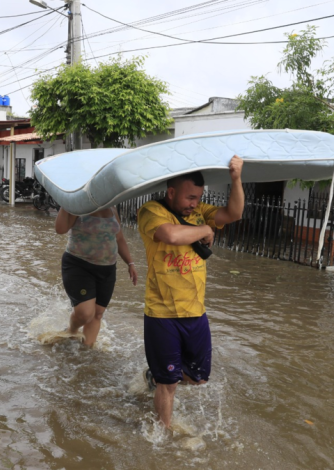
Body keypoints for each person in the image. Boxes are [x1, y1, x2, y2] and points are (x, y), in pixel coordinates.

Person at [137, 158, 244, 429]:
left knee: (198, 379)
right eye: (190, 197)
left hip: (195, 311)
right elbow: (170, 235)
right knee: (169, 383)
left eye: (198, 198)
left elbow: (234, 214)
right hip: (162, 313)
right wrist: (206, 229)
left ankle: (157, 375)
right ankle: (164, 433)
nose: (194, 203)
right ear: (171, 192)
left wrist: (236, 178)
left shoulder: (200, 212)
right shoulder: (150, 211)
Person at [55, 207, 138, 347]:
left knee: (98, 314)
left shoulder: (112, 208)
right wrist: (66, 203)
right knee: (85, 313)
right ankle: (72, 330)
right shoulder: (77, 205)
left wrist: (130, 263)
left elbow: (119, 238)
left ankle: (86, 353)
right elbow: (60, 229)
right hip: (79, 265)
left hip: (107, 269)